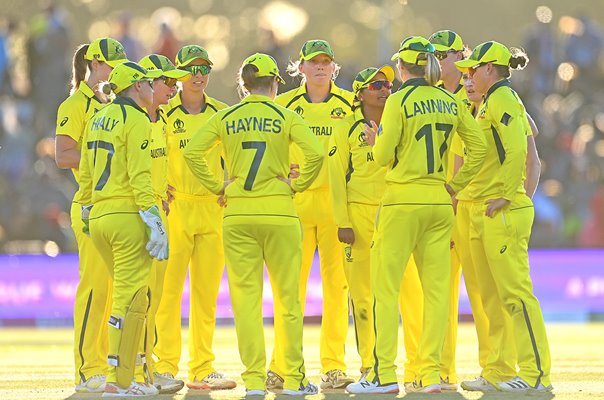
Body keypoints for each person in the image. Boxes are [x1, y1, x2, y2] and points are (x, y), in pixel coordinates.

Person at [346, 35, 486, 394]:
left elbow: (381, 157)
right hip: (439, 203)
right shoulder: (448, 100)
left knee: (384, 290)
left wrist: (374, 142)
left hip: (401, 203)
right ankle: (431, 374)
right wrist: (454, 185)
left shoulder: (399, 100)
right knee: (437, 293)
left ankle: (383, 375)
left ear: (403, 67)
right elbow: (479, 147)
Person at [183, 52, 323, 395]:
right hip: (279, 212)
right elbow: (317, 154)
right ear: (275, 82)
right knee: (288, 301)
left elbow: (192, 153)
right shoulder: (286, 115)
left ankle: (255, 383)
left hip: (238, 214)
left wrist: (218, 186)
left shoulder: (226, 116)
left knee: (246, 302)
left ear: (243, 85)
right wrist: (298, 184)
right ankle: (292, 380)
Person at [455, 41, 552, 393]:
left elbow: (518, 152)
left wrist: (507, 195)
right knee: (491, 298)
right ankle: (497, 370)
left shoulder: (503, 99)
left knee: (515, 294)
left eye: (473, 69)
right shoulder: (485, 103)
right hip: (487, 207)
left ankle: (535, 373)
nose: (468, 74)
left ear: (490, 70)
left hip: (503, 208)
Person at [327, 66, 424, 387]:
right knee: (363, 296)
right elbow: (336, 179)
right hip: (360, 217)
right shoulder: (346, 128)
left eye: (388, 84)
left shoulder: (401, 118)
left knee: (412, 293)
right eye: (377, 85)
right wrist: (343, 222)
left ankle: (418, 368)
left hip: (397, 212)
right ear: (360, 93)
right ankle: (371, 366)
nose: (385, 89)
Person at [268, 39, 355, 391]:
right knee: (290, 290)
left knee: (338, 288)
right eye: (313, 61)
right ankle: (281, 365)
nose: (320, 67)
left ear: (334, 67)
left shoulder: (350, 103)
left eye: (326, 61)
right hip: (296, 203)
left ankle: (333, 366)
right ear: (299, 67)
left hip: (336, 204)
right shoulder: (284, 104)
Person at [78, 60, 168, 397]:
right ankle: (120, 382)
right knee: (130, 302)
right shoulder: (137, 119)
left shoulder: (98, 116)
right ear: (137, 87)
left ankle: (120, 378)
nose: (151, 87)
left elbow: (86, 172)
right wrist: (153, 218)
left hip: (99, 216)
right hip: (126, 215)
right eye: (147, 82)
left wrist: (87, 210)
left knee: (123, 297)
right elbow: (139, 175)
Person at [153, 44, 236, 391]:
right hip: (177, 209)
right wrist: (160, 186)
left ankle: (202, 367)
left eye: (204, 69)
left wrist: (229, 185)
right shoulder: (164, 113)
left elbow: (235, 154)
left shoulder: (221, 112)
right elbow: (151, 153)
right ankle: (165, 366)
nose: (199, 76)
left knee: (206, 294)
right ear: (179, 72)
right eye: (192, 69)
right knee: (169, 294)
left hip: (213, 207)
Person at [54, 37, 127, 394]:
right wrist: (106, 163)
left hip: (116, 206)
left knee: (115, 293)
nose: (116, 72)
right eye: (111, 65)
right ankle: (88, 369)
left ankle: (109, 366)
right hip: (88, 206)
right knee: (95, 289)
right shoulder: (74, 104)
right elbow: (63, 154)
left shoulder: (113, 104)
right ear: (94, 65)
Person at [427, 29, 489, 391]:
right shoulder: (428, 95)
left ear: (459, 55)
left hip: (470, 200)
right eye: (433, 54)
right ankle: (441, 370)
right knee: (440, 294)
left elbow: (525, 128)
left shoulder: (475, 92)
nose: (437, 60)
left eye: (444, 54)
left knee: (481, 293)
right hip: (439, 205)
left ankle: (494, 368)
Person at [137, 53, 190, 395]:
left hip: (159, 209)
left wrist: (164, 185)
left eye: (174, 82)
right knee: (138, 298)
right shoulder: (134, 118)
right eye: (166, 82)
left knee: (153, 298)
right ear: (147, 83)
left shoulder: (162, 119)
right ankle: (131, 372)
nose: (173, 88)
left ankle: (148, 369)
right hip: (138, 213)